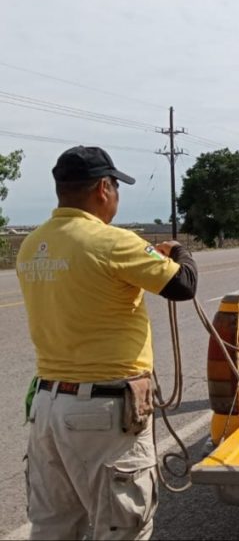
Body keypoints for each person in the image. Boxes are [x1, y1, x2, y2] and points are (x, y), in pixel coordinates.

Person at [16, 146, 198, 540]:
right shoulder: (114, 242)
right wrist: (180, 251)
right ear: (103, 188)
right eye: (116, 187)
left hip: (47, 408)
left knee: (52, 528)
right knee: (122, 528)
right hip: (102, 414)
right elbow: (184, 285)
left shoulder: (31, 245)